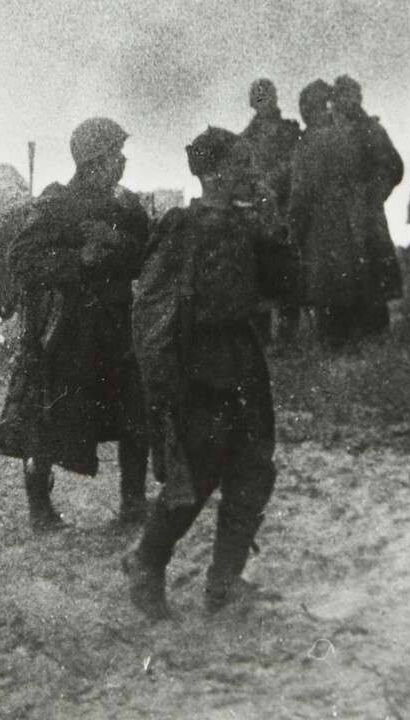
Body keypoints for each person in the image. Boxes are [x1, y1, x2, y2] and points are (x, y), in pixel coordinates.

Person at [122, 128, 293, 620]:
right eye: (241, 163)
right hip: (197, 366)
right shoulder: (182, 226)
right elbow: (151, 305)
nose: (251, 172)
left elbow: (287, 285)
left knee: (254, 468)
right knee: (195, 474)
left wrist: (272, 221)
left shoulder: (248, 224)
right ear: (214, 173)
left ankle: (224, 581)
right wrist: (162, 382)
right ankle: (146, 564)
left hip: (241, 358)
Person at [0, 118, 152, 532]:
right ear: (94, 162)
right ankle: (40, 509)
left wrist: (115, 240)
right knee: (45, 419)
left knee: (135, 412)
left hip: (116, 328)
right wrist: (77, 260)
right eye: (116, 154)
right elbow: (22, 259)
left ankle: (134, 503)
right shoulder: (56, 203)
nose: (122, 161)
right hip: (68, 333)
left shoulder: (126, 207)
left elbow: (148, 255)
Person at [331, 76, 405, 340]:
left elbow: (393, 166)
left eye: (352, 95)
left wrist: (373, 194)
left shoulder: (371, 129)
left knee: (372, 271)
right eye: (341, 95)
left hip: (365, 213)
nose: (347, 101)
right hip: (335, 215)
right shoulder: (326, 129)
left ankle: (376, 334)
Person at [240, 79, 306, 344]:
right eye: (259, 97)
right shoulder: (244, 139)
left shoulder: (291, 131)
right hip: (260, 215)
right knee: (260, 275)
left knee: (289, 274)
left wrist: (273, 180)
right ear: (252, 102)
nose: (263, 101)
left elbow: (300, 164)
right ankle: (262, 340)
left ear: (275, 98)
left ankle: (288, 339)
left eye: (267, 95)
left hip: (288, 209)